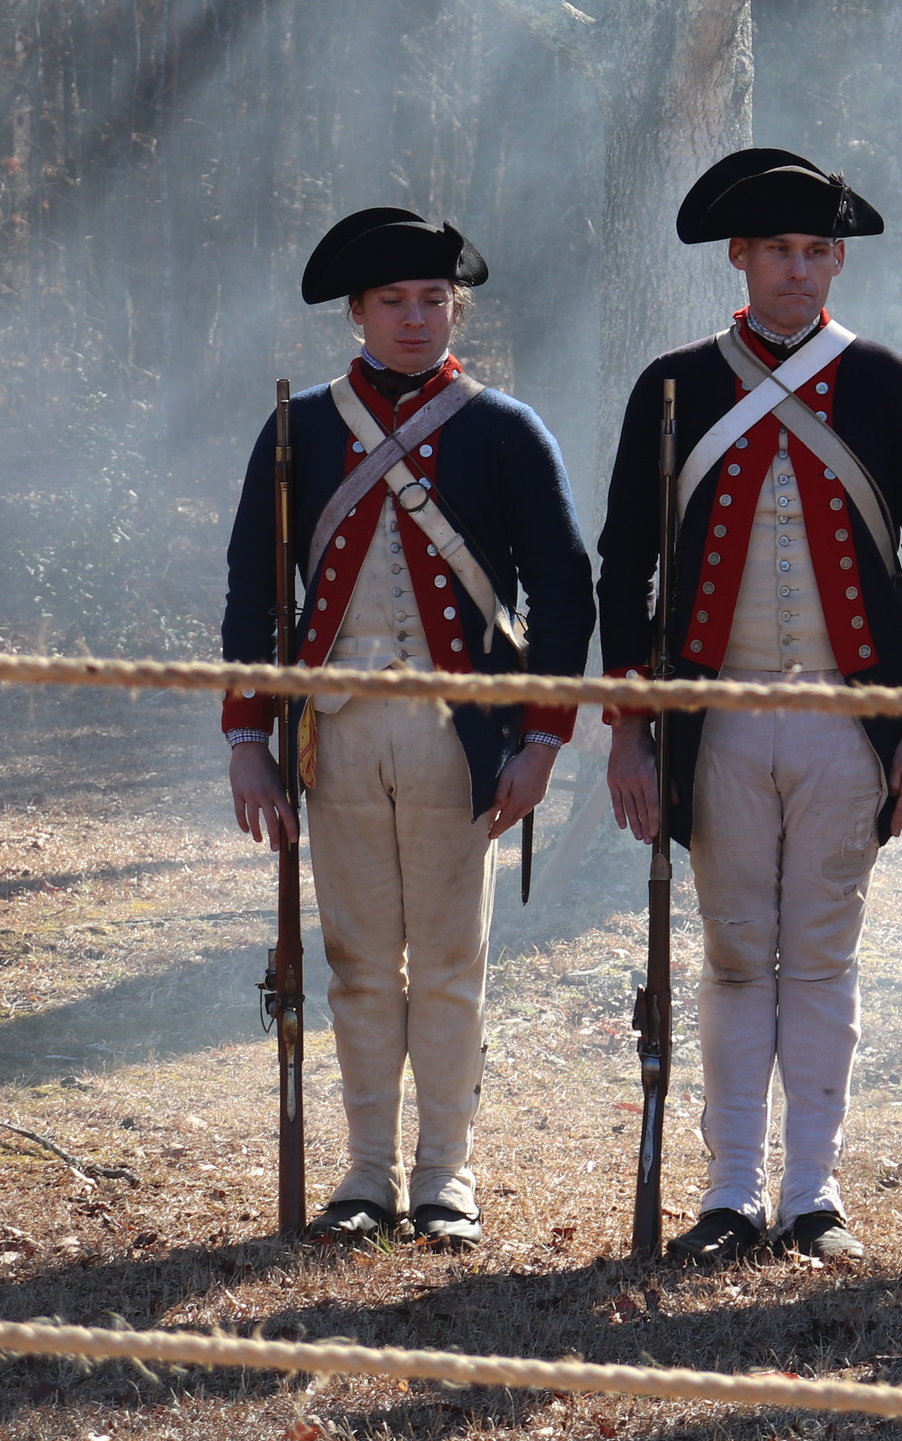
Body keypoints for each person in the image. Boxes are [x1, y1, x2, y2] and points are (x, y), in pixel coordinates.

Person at [596, 147, 902, 1266]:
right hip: (712, 722)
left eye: (817, 251)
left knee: (819, 954)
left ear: (838, 261)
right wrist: (626, 725)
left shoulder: (888, 385)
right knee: (729, 955)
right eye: (778, 250)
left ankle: (812, 1189)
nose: (798, 271)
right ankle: (728, 1191)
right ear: (740, 257)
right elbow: (624, 564)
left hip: (843, 721)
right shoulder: (673, 385)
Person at [219, 206, 594, 1251]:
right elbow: (255, 591)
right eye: (396, 301)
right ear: (357, 312)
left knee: (448, 959)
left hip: (454, 733)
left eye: (435, 299)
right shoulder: (297, 429)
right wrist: (249, 734)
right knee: (353, 959)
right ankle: (366, 1170)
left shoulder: (502, 428)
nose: (418, 318)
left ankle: (446, 1173)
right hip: (334, 732)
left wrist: (542, 738)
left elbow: (565, 591)